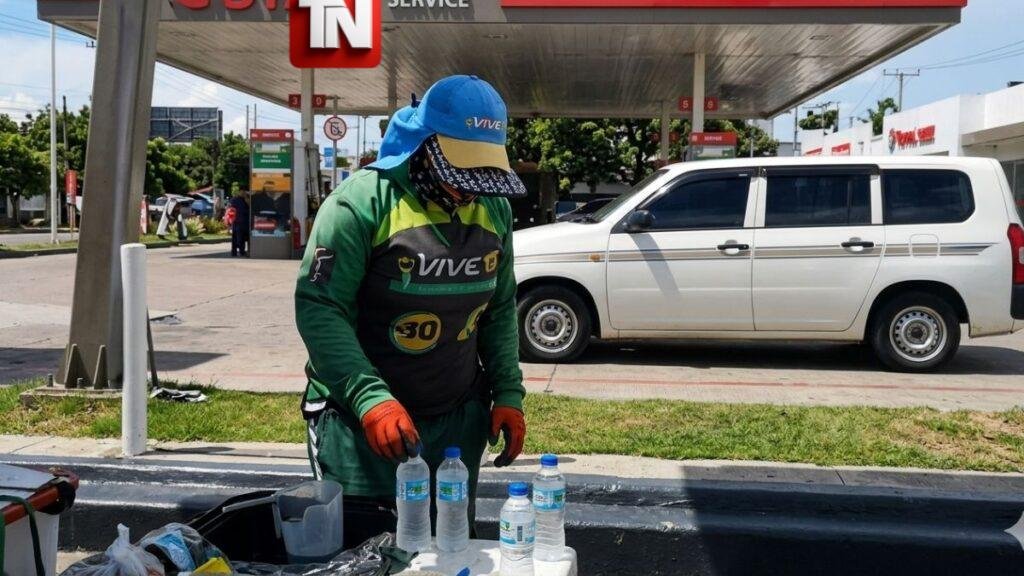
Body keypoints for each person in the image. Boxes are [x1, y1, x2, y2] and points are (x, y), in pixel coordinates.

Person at [294, 75, 527, 537]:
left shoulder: (494, 209)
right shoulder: (360, 204)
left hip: (457, 420)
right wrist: (371, 400)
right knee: (361, 552)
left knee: (449, 545)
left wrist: (508, 393)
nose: (472, 188)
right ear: (426, 145)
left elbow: (499, 309)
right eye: (464, 168)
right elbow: (320, 307)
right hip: (360, 427)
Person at [228, 189, 250, 257]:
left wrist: (247, 198)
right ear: (239, 192)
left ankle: (241, 251)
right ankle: (235, 252)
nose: (243, 193)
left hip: (244, 221)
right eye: (242, 191)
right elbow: (231, 210)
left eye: (244, 192)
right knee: (237, 238)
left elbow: (250, 207)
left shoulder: (246, 199)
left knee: (242, 237)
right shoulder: (234, 200)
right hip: (237, 221)